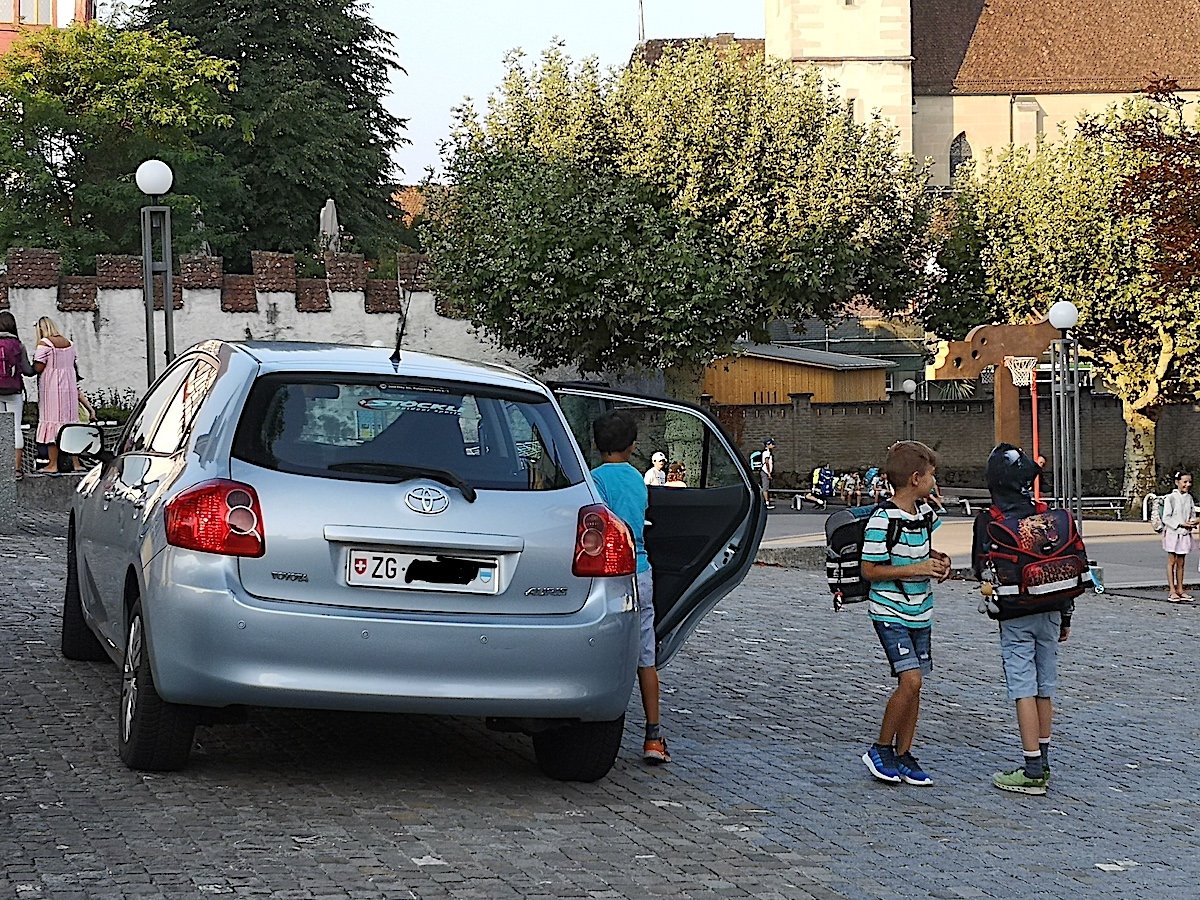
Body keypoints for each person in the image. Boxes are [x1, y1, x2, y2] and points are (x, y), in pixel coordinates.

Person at [971, 443, 1087, 796]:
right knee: (1045, 686)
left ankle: (1032, 768)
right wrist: (1066, 615)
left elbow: (980, 568)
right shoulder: (1046, 516)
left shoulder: (989, 521)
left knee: (1023, 687)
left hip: (1016, 612)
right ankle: (1046, 758)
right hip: (1052, 610)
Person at [859, 440, 950, 786]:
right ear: (915, 478)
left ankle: (903, 753)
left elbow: (925, 552)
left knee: (915, 686)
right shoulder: (883, 519)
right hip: (890, 611)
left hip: (920, 611)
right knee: (910, 680)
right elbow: (870, 569)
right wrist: (916, 569)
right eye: (930, 475)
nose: (933, 480)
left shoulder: (925, 515)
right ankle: (880, 748)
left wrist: (940, 563)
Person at [591, 411, 670, 764]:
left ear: (595, 445)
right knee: (645, 656)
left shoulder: (593, 480)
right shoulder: (639, 479)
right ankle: (653, 736)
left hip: (609, 572)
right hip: (642, 569)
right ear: (633, 446)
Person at [32, 316, 84, 475]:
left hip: (52, 387)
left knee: (52, 422)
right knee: (69, 422)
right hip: (69, 386)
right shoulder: (69, 343)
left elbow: (39, 367)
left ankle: (52, 464)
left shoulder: (44, 344)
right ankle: (76, 463)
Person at [0, 311, 36, 479]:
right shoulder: (18, 344)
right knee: (15, 427)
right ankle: (16, 468)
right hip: (13, 390)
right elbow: (28, 370)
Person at [1161, 470, 1197, 602]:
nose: (1187, 485)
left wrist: (1192, 522)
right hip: (1173, 533)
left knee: (1181, 562)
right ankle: (1172, 590)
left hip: (1184, 533)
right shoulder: (1170, 498)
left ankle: (1180, 589)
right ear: (1177, 482)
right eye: (1184, 482)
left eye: (1189, 482)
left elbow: (1192, 513)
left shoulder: (1189, 498)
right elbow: (1166, 517)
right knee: (1172, 561)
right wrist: (1181, 524)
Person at [761, 438, 776, 510]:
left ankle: (767, 501)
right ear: (767, 445)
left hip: (766, 472)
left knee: (767, 487)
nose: (773, 445)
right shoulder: (766, 452)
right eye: (772, 444)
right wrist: (769, 473)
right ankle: (766, 503)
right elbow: (767, 462)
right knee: (765, 488)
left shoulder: (768, 452)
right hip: (765, 472)